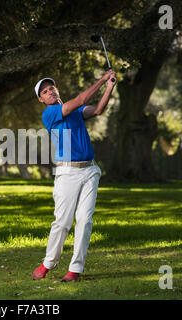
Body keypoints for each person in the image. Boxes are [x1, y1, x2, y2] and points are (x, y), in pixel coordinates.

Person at [32, 70, 117, 282]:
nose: (50, 91)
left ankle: (75, 269)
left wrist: (110, 87)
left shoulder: (76, 111)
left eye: (51, 88)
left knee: (85, 220)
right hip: (67, 172)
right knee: (62, 222)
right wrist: (102, 79)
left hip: (90, 170)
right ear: (42, 100)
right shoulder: (50, 114)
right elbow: (80, 99)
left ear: (56, 90)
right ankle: (48, 263)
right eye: (45, 91)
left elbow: (97, 110)